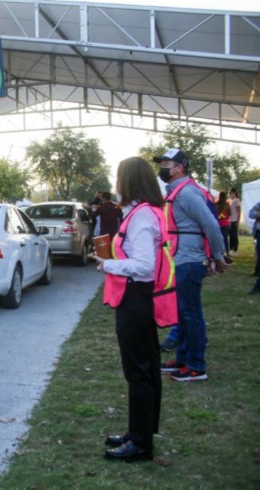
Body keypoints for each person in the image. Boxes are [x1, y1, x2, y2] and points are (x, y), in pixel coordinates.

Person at [93, 157, 165, 462]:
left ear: (129, 181)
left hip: (136, 297)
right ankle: (139, 432)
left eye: (118, 176)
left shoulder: (141, 217)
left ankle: (140, 443)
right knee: (143, 369)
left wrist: (107, 263)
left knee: (138, 371)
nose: (116, 182)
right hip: (137, 297)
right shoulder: (143, 212)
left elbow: (144, 266)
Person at [156, 148, 229, 382]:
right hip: (180, 259)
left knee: (191, 314)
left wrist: (218, 256)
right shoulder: (177, 191)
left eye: (167, 164)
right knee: (183, 313)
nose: (163, 168)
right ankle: (183, 359)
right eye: (163, 163)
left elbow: (211, 225)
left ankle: (196, 365)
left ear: (180, 167)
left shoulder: (187, 193)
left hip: (188, 260)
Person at [228, 188, 241, 255]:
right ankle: (231, 249)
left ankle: (235, 249)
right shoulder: (229, 200)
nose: (230, 194)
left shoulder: (236, 200)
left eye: (231, 193)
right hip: (230, 220)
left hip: (235, 220)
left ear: (234, 193)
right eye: (229, 193)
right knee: (230, 235)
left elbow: (239, 211)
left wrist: (238, 221)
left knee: (234, 235)